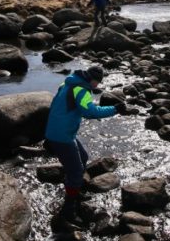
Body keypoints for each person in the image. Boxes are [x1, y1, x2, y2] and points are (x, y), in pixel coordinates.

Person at [44, 66, 118, 228]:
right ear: (92, 79)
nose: (97, 86)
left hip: (59, 131)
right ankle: (68, 210)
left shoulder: (68, 83)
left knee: (83, 158)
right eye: (98, 82)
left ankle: (75, 190)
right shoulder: (81, 90)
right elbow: (91, 112)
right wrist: (115, 109)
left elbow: (57, 105)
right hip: (62, 136)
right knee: (76, 170)